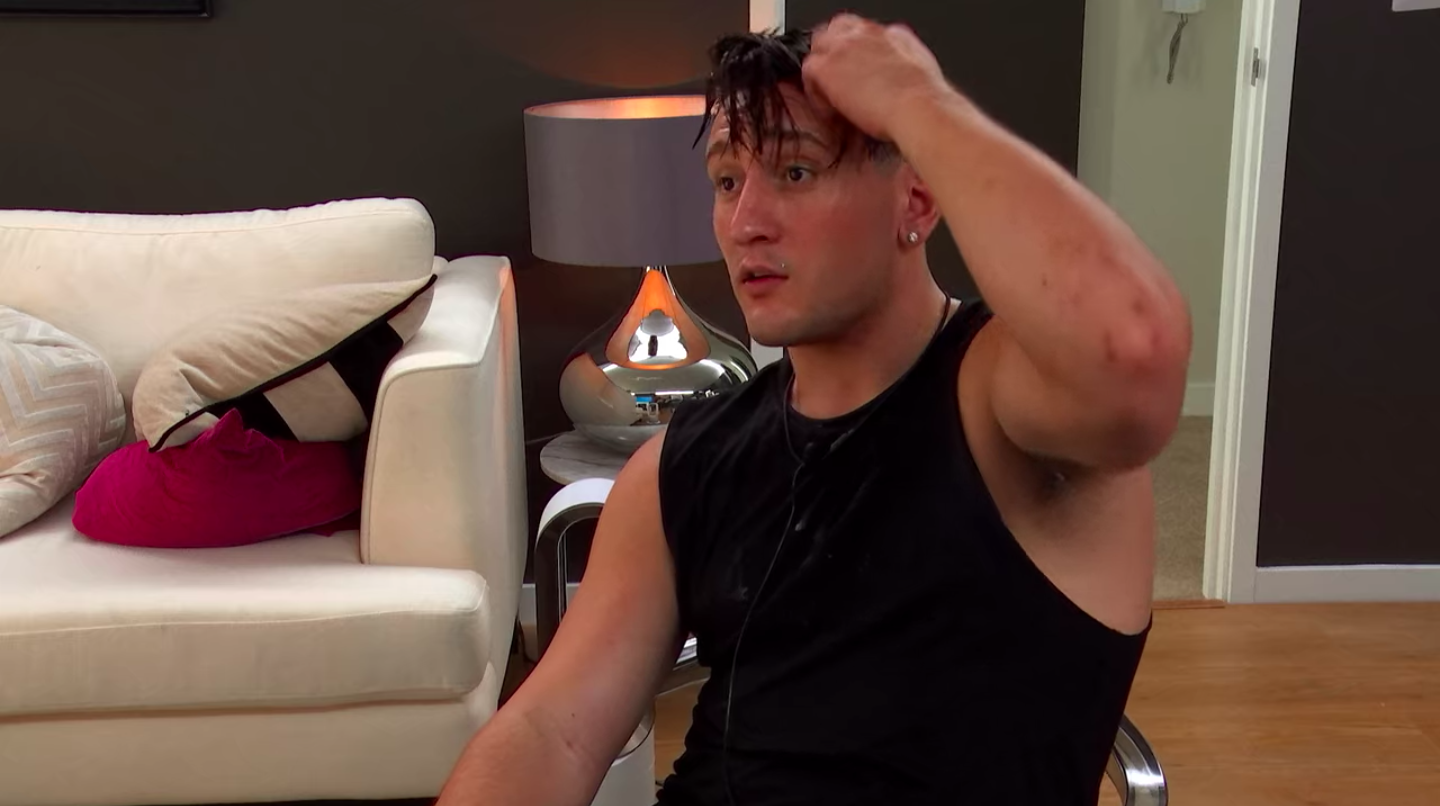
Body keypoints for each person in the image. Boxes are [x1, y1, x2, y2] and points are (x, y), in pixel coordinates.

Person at [437, 14, 1191, 806]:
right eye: (728, 181)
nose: (745, 223)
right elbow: (551, 730)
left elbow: (1132, 349)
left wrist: (916, 100)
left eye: (795, 172)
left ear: (917, 199)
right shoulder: (679, 470)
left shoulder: (1010, 406)